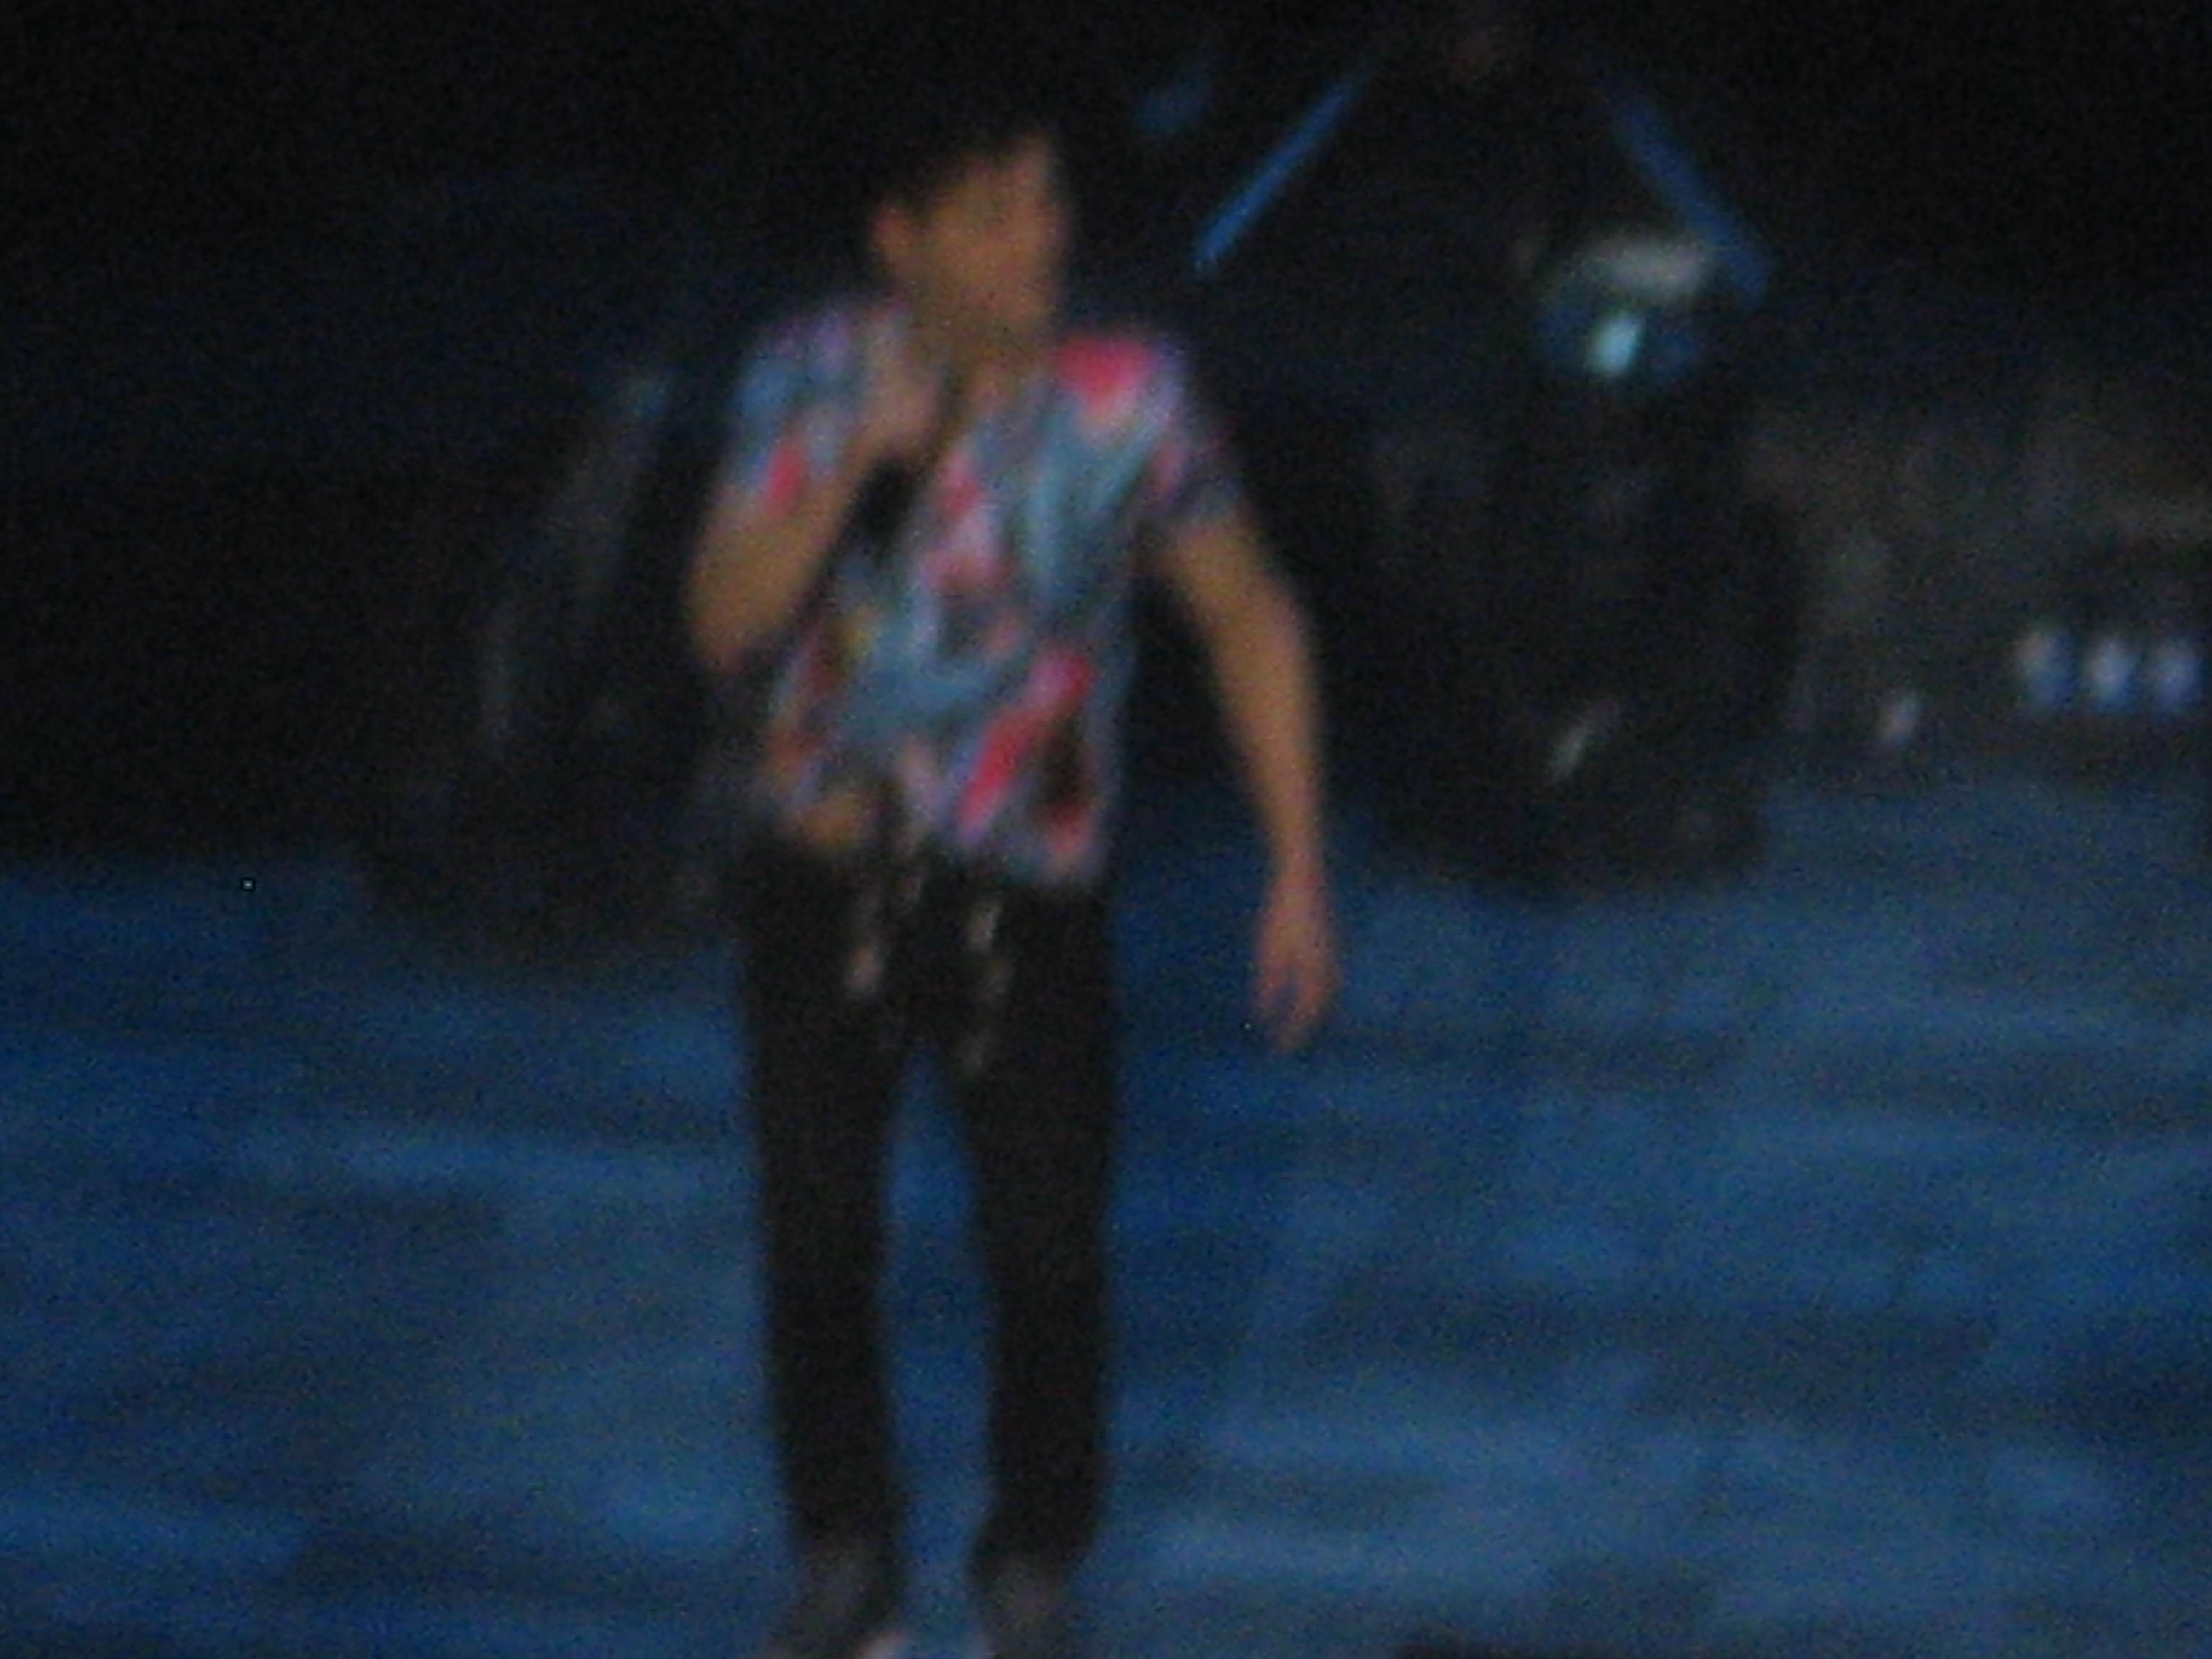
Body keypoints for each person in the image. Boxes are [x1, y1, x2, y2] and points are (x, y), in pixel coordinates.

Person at [683, 78, 1340, 1659]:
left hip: (1027, 885)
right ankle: (845, 1555)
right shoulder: (805, 374)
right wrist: (856, 461)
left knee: (1047, 1251)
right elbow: (721, 623)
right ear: (899, 239)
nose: (1040, 240)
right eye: (994, 216)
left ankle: (1033, 1565)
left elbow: (1248, 612)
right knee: (818, 1238)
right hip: (824, 871)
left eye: (1047, 204)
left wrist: (1297, 864)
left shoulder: (1130, 401)